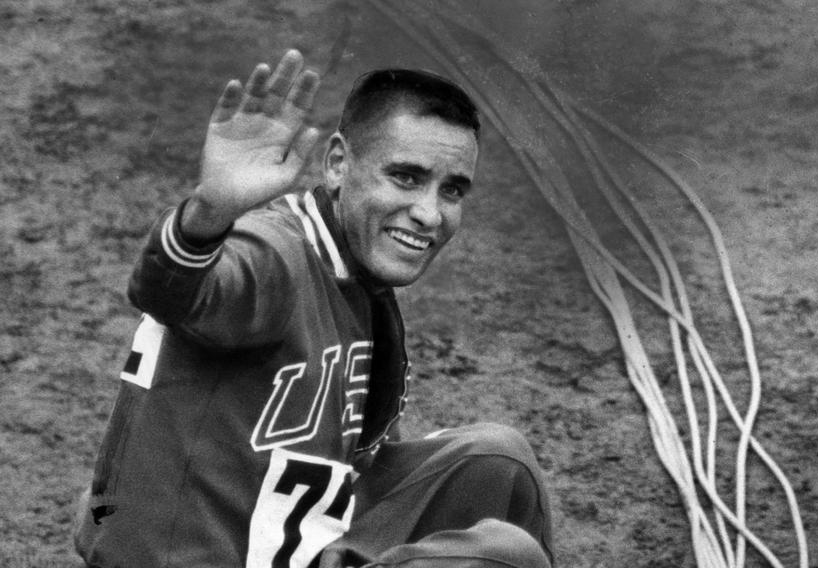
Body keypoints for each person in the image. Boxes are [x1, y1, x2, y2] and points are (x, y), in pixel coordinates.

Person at [75, 49, 554, 568]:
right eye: (406, 177)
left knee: (499, 461)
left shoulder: (353, 272)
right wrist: (210, 211)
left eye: (452, 190)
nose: (428, 213)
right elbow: (173, 292)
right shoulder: (275, 254)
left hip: (281, 540)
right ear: (338, 164)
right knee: (504, 558)